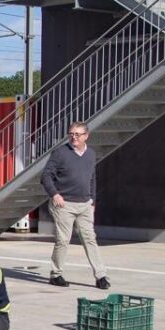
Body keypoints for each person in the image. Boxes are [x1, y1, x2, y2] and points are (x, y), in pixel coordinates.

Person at [40, 121, 110, 289]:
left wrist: (92, 200)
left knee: (90, 239)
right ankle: (56, 275)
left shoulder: (91, 154)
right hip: (64, 204)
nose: (74, 137)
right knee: (63, 240)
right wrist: (55, 194)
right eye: (71, 134)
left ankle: (101, 276)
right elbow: (46, 176)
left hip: (85, 204)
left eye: (77, 134)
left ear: (86, 136)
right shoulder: (60, 153)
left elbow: (92, 178)